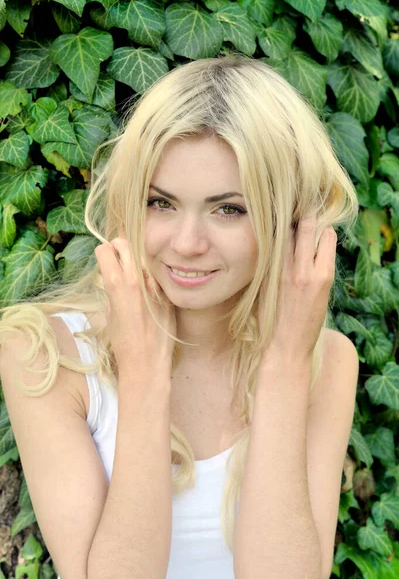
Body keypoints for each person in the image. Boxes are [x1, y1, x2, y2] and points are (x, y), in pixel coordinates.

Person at [0, 53, 360, 579]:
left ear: (293, 221)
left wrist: (284, 363)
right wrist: (144, 375)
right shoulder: (46, 353)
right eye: (160, 203)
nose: (187, 244)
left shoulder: (327, 362)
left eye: (229, 209)